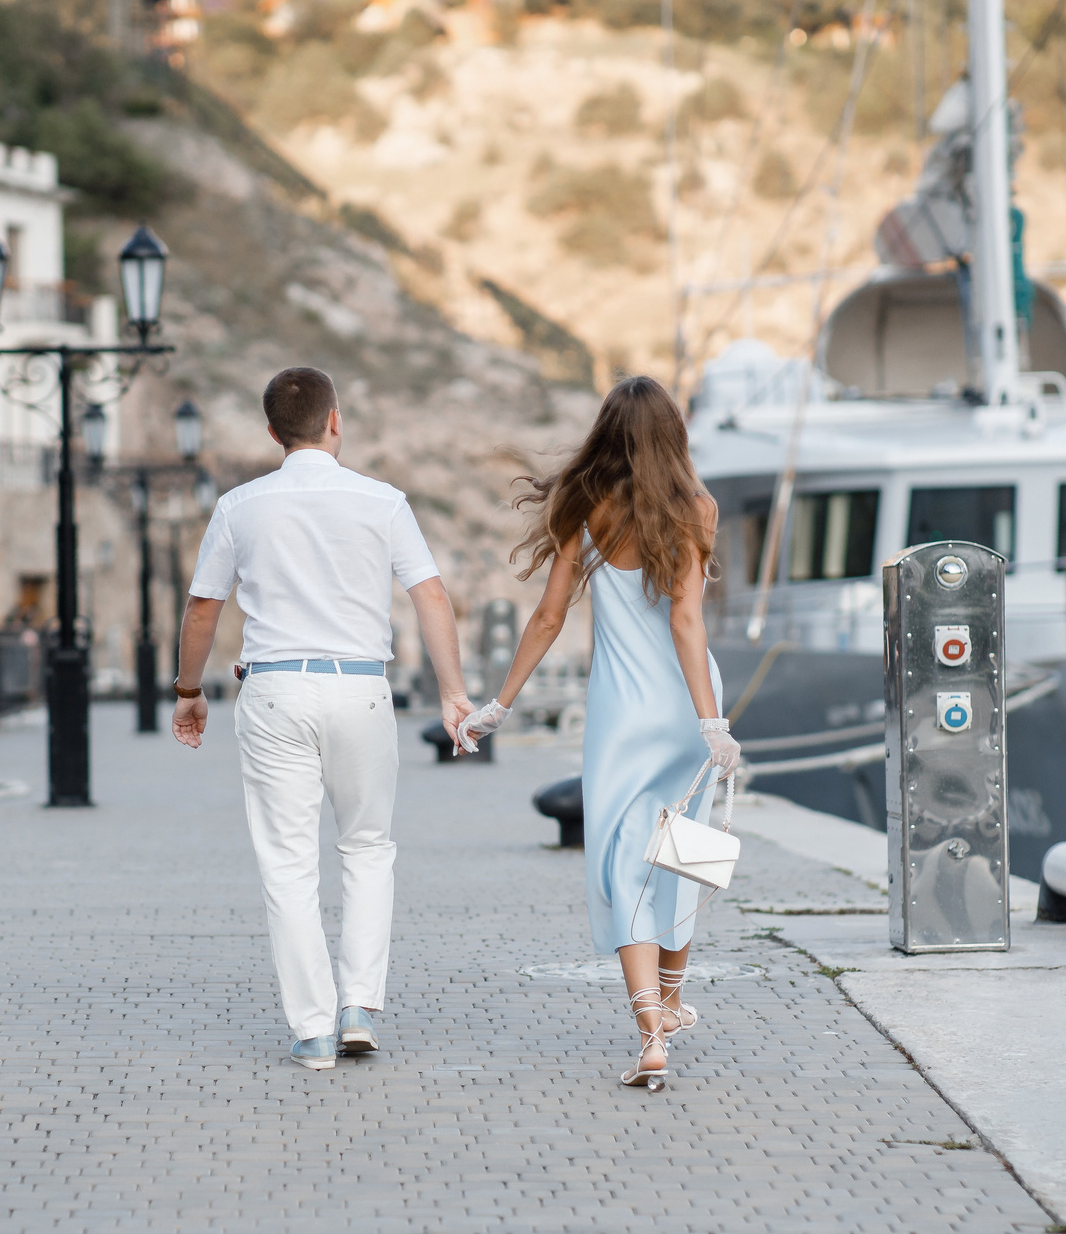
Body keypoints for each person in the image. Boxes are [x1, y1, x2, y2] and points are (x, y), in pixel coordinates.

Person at [172, 367, 475, 1070]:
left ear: (273, 432)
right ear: (335, 421)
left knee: (287, 863)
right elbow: (430, 595)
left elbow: (202, 608)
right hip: (361, 689)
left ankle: (311, 1030)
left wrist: (189, 689)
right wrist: (453, 691)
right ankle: (359, 1004)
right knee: (368, 847)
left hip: (275, 691)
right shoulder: (383, 501)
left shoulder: (239, 506)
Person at [456, 376, 741, 1091]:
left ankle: (651, 1028)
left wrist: (499, 703)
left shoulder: (587, 508)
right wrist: (712, 722)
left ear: (608, 435)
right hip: (685, 704)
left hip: (621, 717)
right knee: (682, 851)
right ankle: (670, 1000)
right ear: (672, 436)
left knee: (623, 862)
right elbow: (686, 620)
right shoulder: (697, 509)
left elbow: (548, 618)